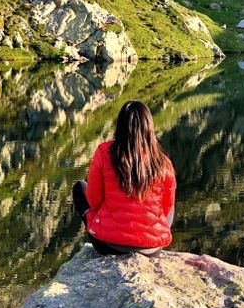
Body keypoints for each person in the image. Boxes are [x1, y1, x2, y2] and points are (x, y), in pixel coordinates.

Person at [72, 101, 176, 256]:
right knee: (169, 202)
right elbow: (167, 208)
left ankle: (112, 231)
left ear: (120, 125)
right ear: (149, 127)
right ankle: (150, 238)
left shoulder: (104, 152)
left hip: (108, 245)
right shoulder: (162, 161)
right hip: (152, 249)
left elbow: (94, 201)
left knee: (80, 188)